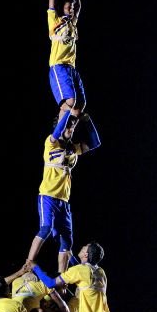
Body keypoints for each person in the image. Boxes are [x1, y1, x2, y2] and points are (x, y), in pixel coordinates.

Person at [27, 112, 101, 273]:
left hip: (64, 201)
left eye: (73, 127)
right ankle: (29, 263)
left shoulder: (73, 149)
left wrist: (87, 120)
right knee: (46, 228)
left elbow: (95, 143)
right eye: (69, 126)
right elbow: (57, 132)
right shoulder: (51, 143)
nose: (71, 129)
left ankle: (62, 279)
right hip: (48, 195)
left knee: (67, 241)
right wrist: (67, 112)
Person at [48, 0, 86, 141]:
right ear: (63, 7)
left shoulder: (73, 25)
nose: (71, 9)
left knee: (80, 106)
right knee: (70, 103)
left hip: (71, 69)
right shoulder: (55, 22)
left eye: (71, 8)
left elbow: (78, 4)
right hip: (59, 67)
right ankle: (58, 135)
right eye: (68, 7)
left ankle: (68, 128)